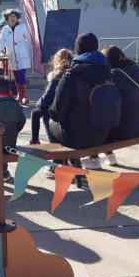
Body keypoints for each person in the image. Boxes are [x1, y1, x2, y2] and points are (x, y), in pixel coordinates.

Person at [48, 32, 118, 174]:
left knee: (49, 122)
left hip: (78, 137)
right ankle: (87, 160)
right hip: (104, 134)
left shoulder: (71, 76)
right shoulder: (108, 73)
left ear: (77, 51)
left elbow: (56, 114)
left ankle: (56, 166)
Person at [98, 46, 139, 167]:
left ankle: (99, 157)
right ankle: (107, 155)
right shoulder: (134, 71)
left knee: (96, 121)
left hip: (126, 129)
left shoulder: (113, 76)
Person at [30, 48, 73, 145]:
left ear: (57, 61)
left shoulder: (56, 77)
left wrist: (39, 103)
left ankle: (36, 140)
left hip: (56, 107)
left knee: (36, 113)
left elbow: (48, 97)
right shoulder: (72, 73)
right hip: (69, 107)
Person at [0, 8, 32, 105]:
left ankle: (24, 96)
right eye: (10, 17)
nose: (13, 18)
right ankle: (19, 95)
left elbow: (28, 39)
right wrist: (1, 50)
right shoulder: (5, 29)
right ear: (7, 19)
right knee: (16, 76)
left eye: (14, 16)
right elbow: (1, 41)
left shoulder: (22, 27)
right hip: (12, 57)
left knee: (22, 75)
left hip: (22, 56)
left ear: (17, 18)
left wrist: (26, 49)